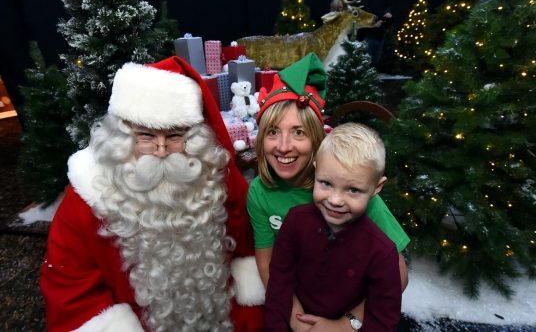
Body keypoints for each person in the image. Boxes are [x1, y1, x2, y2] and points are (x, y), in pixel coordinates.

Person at [40, 56, 265, 331]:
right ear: (122, 136)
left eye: (174, 136)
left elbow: (247, 248)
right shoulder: (88, 199)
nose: (161, 150)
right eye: (146, 136)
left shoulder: (212, 181)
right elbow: (71, 291)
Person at [247, 52, 409, 330]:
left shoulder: (346, 190)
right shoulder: (260, 192)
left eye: (298, 132)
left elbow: (398, 275)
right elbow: (270, 266)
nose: (283, 146)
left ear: (318, 139)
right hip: (299, 304)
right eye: (273, 132)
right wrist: (299, 323)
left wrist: (346, 325)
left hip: (350, 309)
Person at [265, 122, 401, 331]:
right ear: (316, 172)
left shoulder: (382, 252)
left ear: (377, 187)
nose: (335, 200)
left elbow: (382, 319)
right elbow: (279, 282)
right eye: (326, 184)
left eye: (353, 190)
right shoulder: (295, 221)